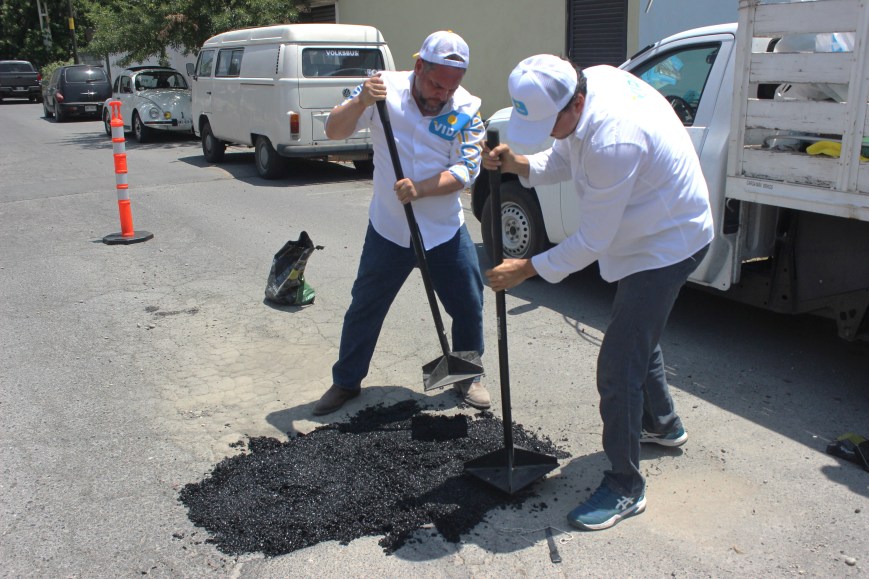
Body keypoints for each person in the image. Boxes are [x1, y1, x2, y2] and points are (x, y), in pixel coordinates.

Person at [483, 54, 713, 530]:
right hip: (645, 230)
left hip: (667, 242)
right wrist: (521, 162)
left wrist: (525, 269)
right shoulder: (592, 85)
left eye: (552, 125)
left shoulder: (614, 139)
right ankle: (664, 425)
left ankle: (627, 488)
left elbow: (591, 242)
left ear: (577, 102)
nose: (550, 134)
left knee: (618, 364)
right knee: (634, 333)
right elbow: (564, 155)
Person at [313, 31, 491, 416]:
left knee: (468, 303)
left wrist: (422, 188)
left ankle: (468, 376)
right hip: (390, 230)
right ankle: (346, 382)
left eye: (451, 86)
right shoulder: (381, 89)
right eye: (435, 83)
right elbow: (333, 131)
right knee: (365, 306)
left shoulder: (467, 110)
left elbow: (467, 170)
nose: (441, 94)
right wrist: (361, 100)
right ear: (419, 66)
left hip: (443, 230)